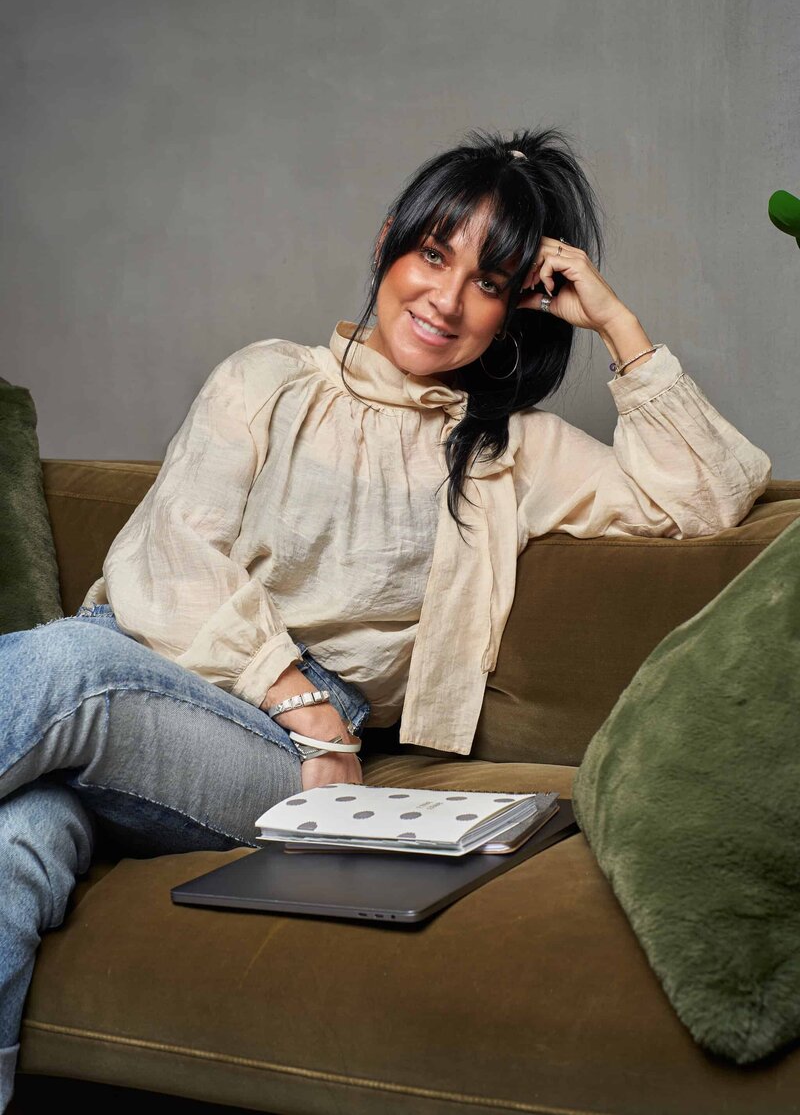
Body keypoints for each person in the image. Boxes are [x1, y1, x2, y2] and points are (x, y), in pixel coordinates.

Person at [0, 126, 772, 1110]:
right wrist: (296, 694)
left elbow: (701, 495)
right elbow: (167, 554)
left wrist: (615, 321)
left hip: (279, 760)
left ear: (515, 312)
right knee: (16, 840)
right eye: (433, 253)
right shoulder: (263, 378)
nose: (445, 298)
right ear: (387, 246)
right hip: (173, 679)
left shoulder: (508, 452)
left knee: (68, 663)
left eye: (489, 281)